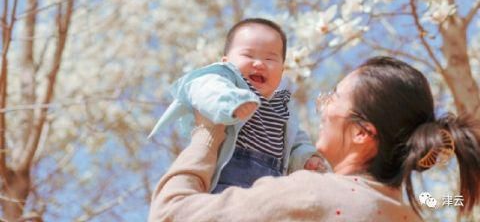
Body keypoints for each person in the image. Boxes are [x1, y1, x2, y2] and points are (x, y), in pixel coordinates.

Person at [148, 56, 480, 221]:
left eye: (334, 97)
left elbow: (171, 215)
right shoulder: (409, 214)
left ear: (362, 133)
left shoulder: (312, 194)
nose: (322, 106)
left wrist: (208, 130)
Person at [149, 18, 328, 193]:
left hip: (271, 185)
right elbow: (204, 88)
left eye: (270, 59)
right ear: (226, 62)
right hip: (228, 175)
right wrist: (229, 102)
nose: (259, 64)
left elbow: (296, 140)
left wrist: (306, 157)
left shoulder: (282, 106)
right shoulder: (225, 82)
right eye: (248, 55)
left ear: (282, 71)